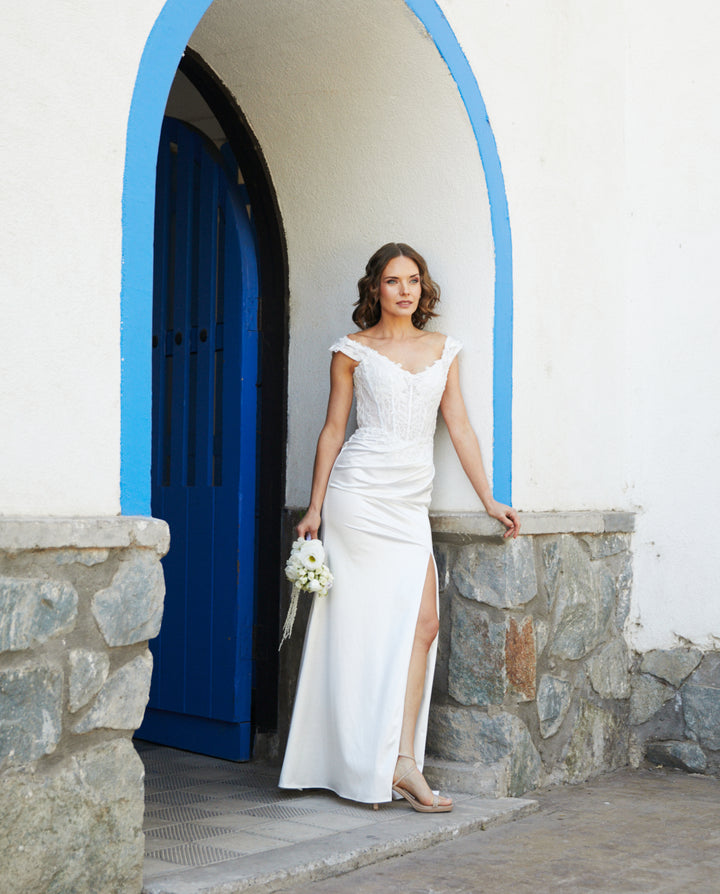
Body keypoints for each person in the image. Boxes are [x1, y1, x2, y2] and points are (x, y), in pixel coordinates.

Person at [278, 243, 519, 812]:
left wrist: (488, 498)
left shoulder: (443, 350)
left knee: (423, 625)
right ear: (375, 289)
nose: (405, 290)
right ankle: (362, 761)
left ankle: (402, 761)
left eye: (413, 280)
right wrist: (314, 508)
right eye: (393, 281)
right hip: (358, 497)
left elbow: (457, 425)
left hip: (410, 502)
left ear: (422, 288)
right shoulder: (351, 351)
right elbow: (334, 429)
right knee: (358, 629)